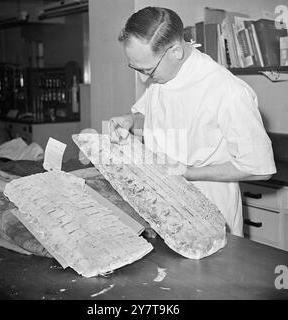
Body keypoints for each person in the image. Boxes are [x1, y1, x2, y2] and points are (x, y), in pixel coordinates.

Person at [109, 6, 276, 236]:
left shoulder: (227, 91)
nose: (143, 78)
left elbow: (259, 168)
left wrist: (187, 172)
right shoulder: (163, 76)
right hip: (164, 209)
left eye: (147, 69)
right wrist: (130, 121)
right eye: (136, 68)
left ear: (175, 51)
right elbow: (151, 118)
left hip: (210, 213)